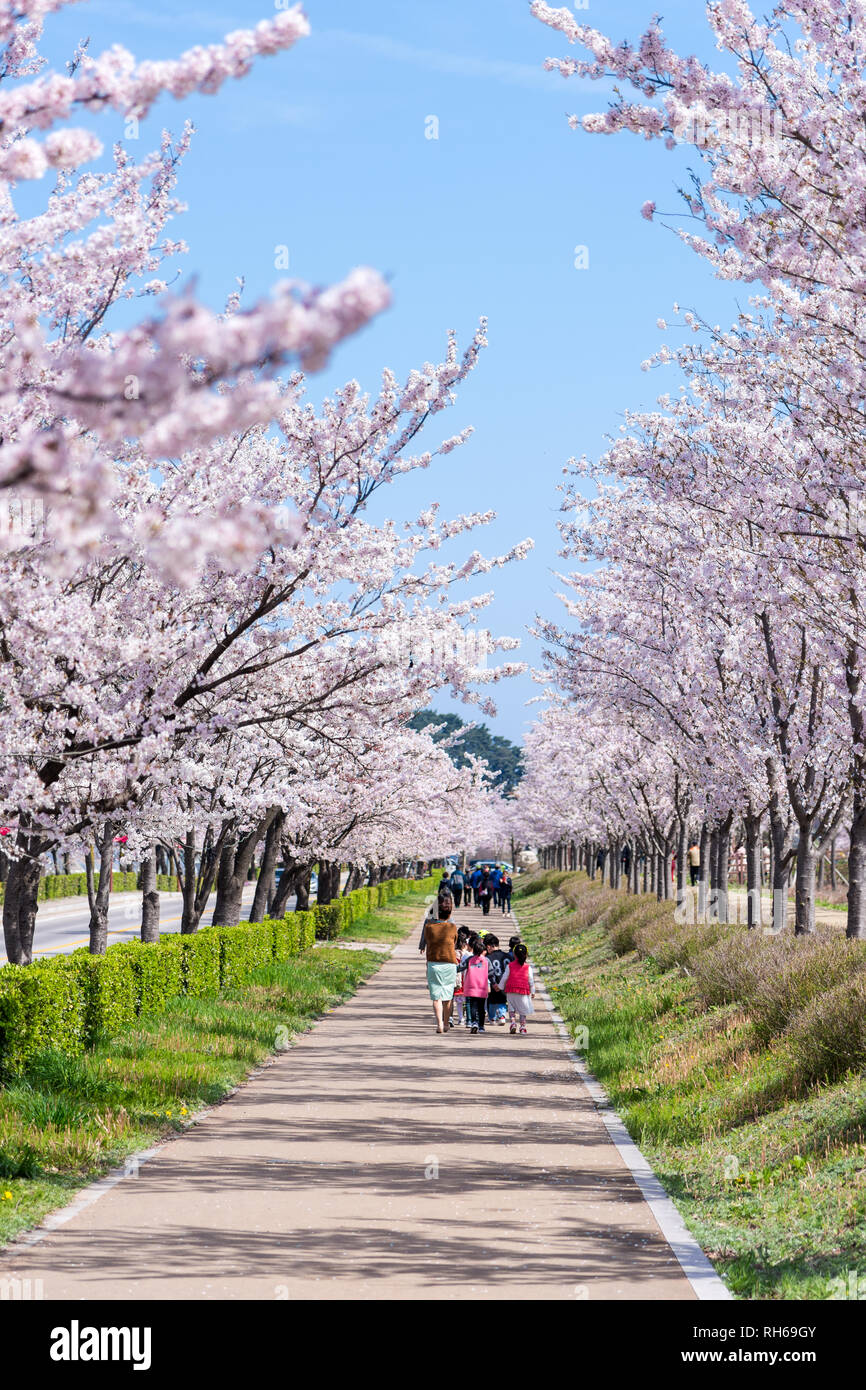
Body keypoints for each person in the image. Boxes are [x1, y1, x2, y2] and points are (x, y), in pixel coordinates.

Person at [418, 889, 458, 1034]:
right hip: (449, 962)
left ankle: (440, 1024)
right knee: (448, 996)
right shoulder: (452, 924)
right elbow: (455, 941)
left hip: (433, 961)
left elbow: (426, 932)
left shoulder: (429, 924)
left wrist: (424, 945)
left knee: (436, 997)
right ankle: (446, 1023)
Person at [499, 942, 535, 1035]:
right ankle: (522, 1027)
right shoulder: (528, 967)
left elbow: (504, 977)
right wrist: (533, 992)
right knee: (523, 1009)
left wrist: (500, 987)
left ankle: (513, 1023)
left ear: (514, 954)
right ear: (526, 954)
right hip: (523, 991)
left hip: (511, 990)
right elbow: (531, 981)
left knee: (511, 1008)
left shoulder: (509, 965)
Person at [458, 934, 491, 1034]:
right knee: (481, 1008)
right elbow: (492, 973)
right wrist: (493, 983)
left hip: (471, 986)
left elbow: (460, 968)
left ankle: (474, 1023)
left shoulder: (469, 960)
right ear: (482, 950)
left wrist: (450, 969)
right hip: (482, 986)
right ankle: (481, 1026)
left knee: (473, 1006)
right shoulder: (487, 960)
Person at [483, 933, 509, 1025]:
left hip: (493, 982)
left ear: (489, 947)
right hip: (505, 983)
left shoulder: (488, 958)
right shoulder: (507, 956)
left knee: (492, 1000)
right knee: (503, 999)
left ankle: (492, 1018)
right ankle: (502, 1016)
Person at [451, 925, 472, 1028]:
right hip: (467, 979)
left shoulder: (453, 953)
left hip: (456, 979)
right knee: (467, 1001)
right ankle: (469, 1018)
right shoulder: (468, 954)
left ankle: (461, 1019)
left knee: (458, 1002)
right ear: (466, 944)